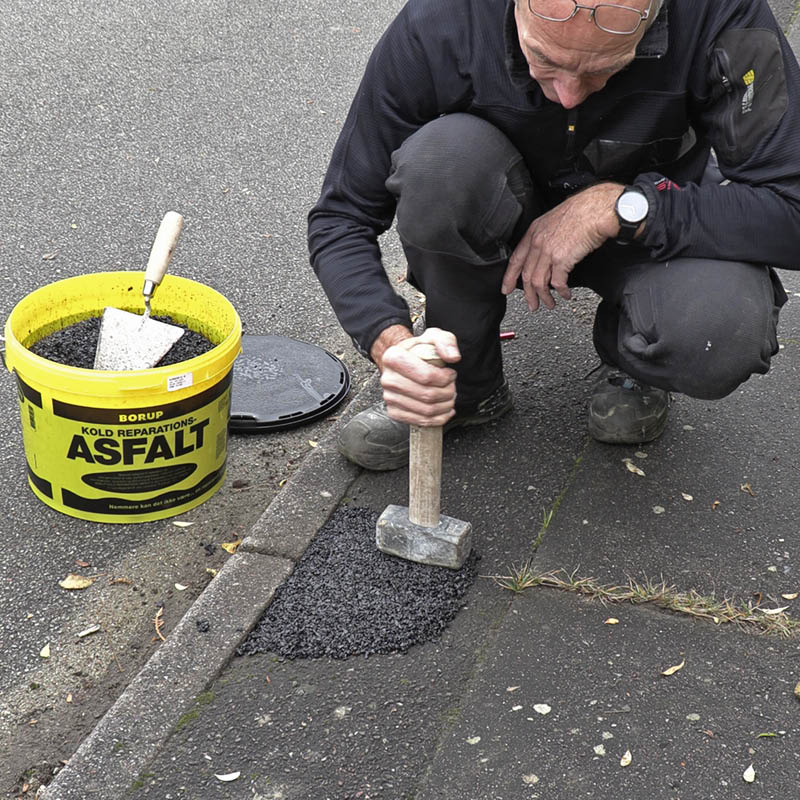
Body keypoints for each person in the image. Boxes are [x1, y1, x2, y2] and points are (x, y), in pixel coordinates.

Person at [308, 0, 800, 471]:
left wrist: (623, 206)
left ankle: (635, 360)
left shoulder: (721, 14)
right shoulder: (443, 18)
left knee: (722, 327)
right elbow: (341, 216)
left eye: (605, 68)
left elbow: (792, 208)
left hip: (647, 230)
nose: (567, 93)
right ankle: (463, 381)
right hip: (497, 209)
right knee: (439, 164)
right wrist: (389, 343)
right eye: (542, 57)